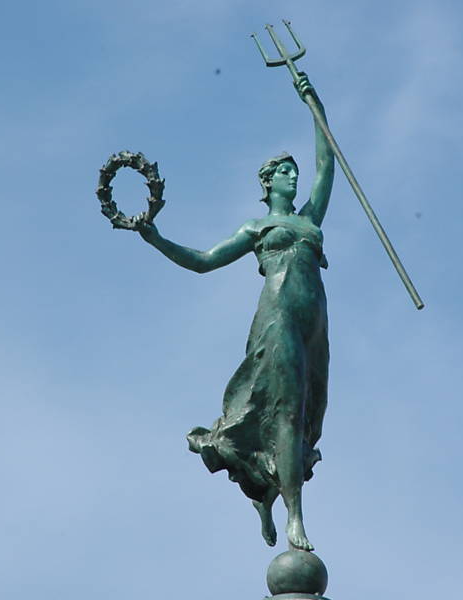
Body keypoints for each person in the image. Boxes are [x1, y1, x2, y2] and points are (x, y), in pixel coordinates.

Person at [136, 75, 333, 551]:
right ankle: (293, 517)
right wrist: (156, 239)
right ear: (268, 183)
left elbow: (327, 168)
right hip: (279, 318)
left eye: (293, 170)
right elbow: (205, 261)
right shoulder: (257, 226)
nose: (295, 175)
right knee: (286, 412)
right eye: (285, 171)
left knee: (310, 415)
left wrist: (314, 105)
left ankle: (263, 493)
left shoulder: (308, 220)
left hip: (315, 323)